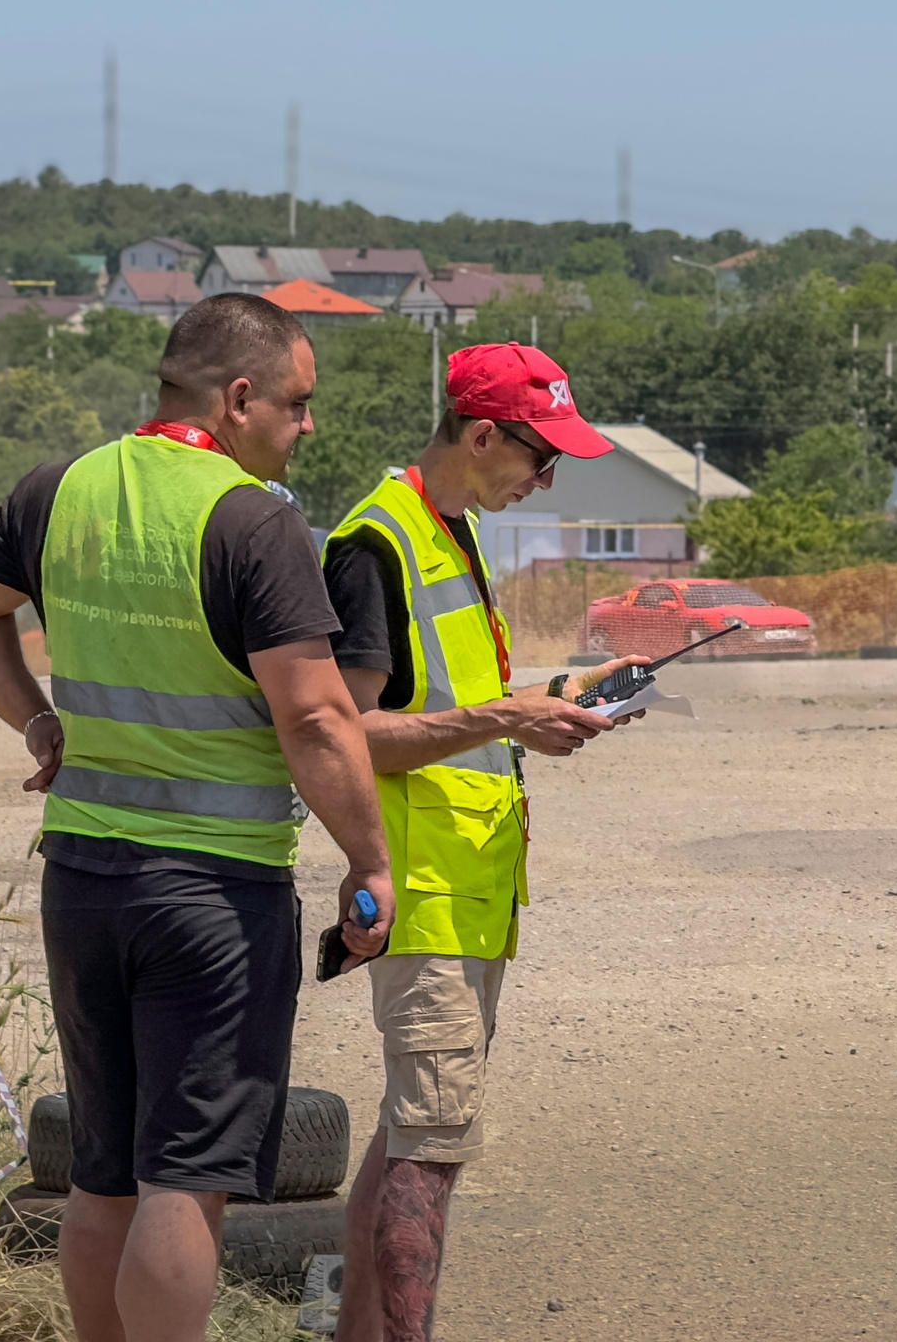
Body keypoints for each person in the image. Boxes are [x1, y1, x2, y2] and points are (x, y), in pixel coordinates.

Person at [0, 293, 393, 1342]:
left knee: (105, 1176)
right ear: (237, 399)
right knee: (190, 1181)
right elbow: (318, 717)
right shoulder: (252, 519)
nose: (306, 425)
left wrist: (37, 722)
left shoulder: (63, 489)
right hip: (213, 899)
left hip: (86, 882)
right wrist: (370, 856)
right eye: (297, 403)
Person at [322, 343, 645, 1342]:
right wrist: (509, 718)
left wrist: (551, 700)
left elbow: (448, 708)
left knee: (412, 1133)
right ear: (477, 434)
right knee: (429, 1145)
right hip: (419, 893)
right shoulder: (378, 545)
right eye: (537, 459)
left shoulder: (446, 530)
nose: (543, 481)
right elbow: (343, 731)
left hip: (467, 893)